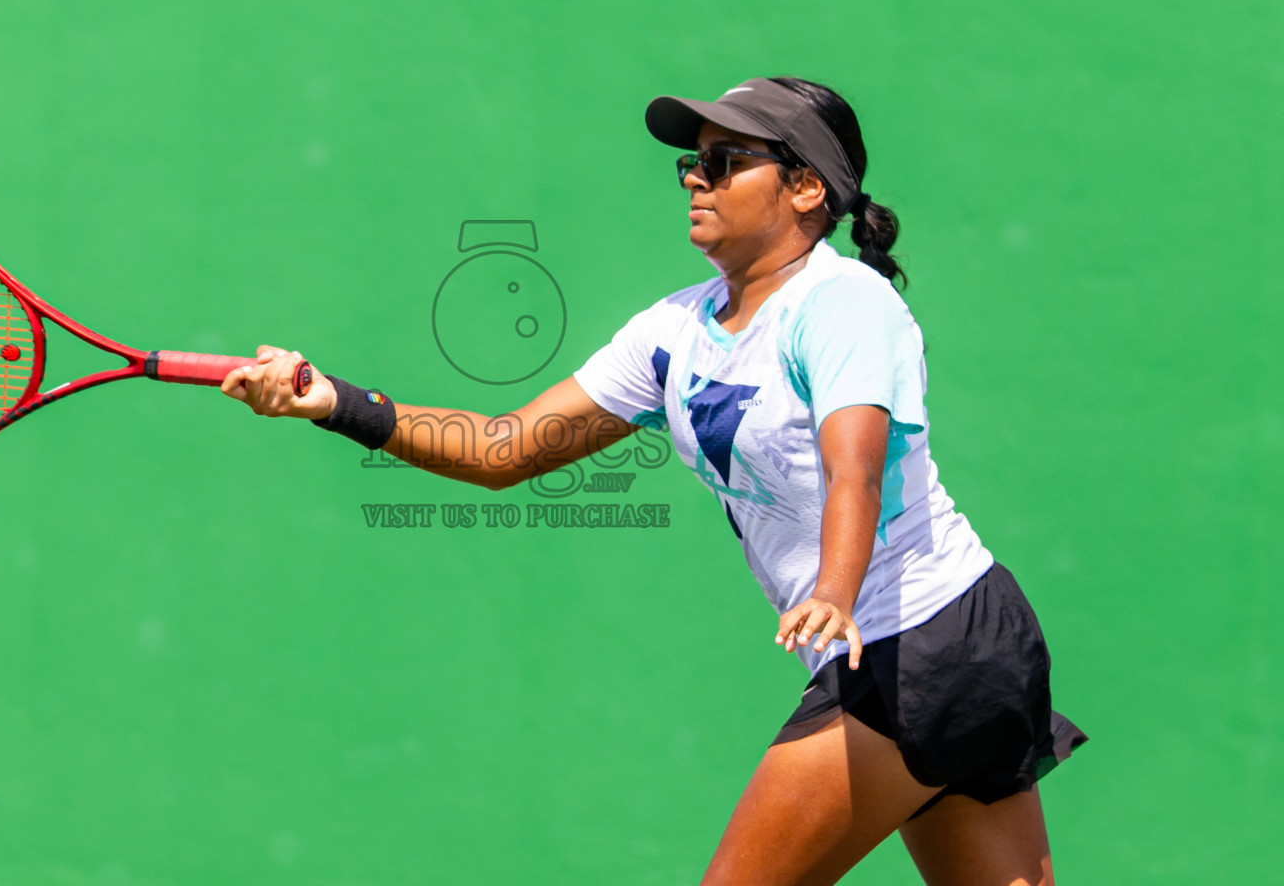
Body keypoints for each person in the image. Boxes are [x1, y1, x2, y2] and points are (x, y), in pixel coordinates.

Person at [220, 76, 1086, 885]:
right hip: (938, 646)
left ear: (806, 190)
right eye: (691, 163)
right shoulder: (674, 330)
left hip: (919, 640)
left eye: (722, 163)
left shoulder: (844, 303)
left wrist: (834, 590)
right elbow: (502, 450)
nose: (694, 181)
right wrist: (335, 402)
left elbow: (851, 469)